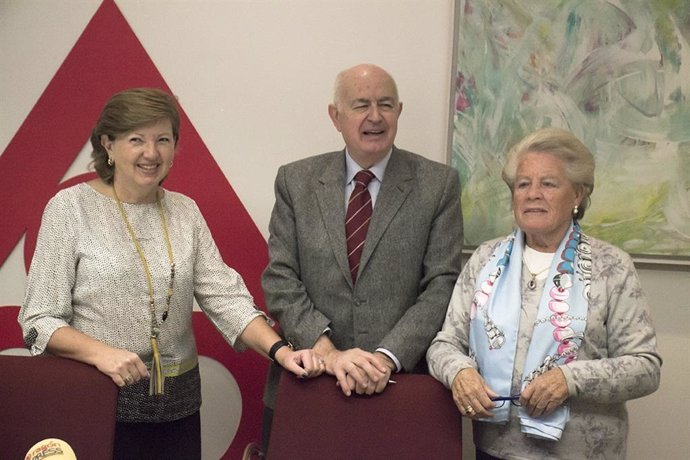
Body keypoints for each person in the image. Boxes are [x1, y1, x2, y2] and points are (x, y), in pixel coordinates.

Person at [18, 88, 323, 459]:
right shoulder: (70, 208)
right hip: (94, 405)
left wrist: (280, 352)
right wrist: (102, 354)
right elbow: (40, 319)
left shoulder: (185, 212)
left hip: (177, 412)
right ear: (107, 145)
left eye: (163, 140)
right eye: (136, 140)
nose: (152, 153)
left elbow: (225, 298)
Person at [427, 127, 662, 459]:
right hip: (495, 450)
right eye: (523, 184)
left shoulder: (611, 266)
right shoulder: (484, 260)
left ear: (578, 194)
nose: (533, 193)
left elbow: (645, 367)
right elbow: (444, 344)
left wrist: (569, 379)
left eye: (548, 184)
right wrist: (460, 372)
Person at [261, 63, 462, 437]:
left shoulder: (438, 184)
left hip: (401, 388)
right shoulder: (295, 180)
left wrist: (385, 358)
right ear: (335, 116)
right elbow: (280, 278)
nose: (375, 116)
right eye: (360, 105)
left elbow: (442, 285)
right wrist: (329, 353)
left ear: (399, 112)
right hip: (309, 382)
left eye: (385, 104)